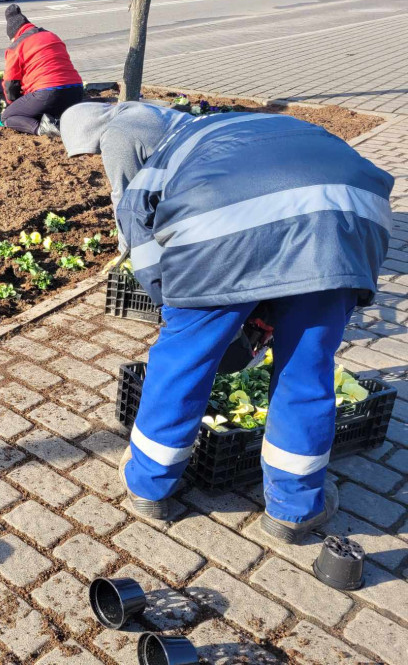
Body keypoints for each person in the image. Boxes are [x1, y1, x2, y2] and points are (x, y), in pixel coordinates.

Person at [61, 101, 394, 543]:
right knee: (306, 369)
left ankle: (148, 485)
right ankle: (293, 510)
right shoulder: (240, 126)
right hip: (347, 218)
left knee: (183, 360)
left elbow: (144, 248)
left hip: (222, 235)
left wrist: (181, 311)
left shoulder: (164, 160)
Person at [0, 4, 84, 136]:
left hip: (47, 94)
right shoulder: (52, 35)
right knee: (50, 108)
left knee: (7, 117)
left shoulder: (16, 45)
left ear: (14, 35)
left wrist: (13, 105)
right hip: (76, 92)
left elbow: (10, 84)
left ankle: (41, 129)